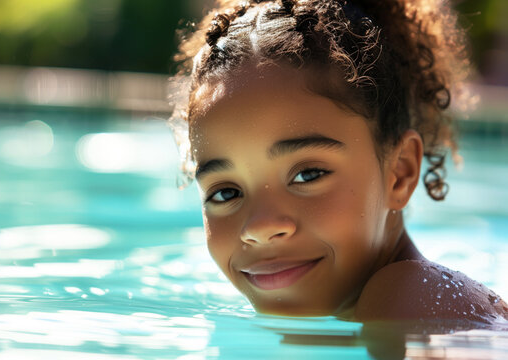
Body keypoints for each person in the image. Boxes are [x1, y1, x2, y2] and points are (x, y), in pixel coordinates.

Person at [168, 0, 508, 325]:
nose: (258, 228)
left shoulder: (411, 298)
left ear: (399, 173)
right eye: (226, 193)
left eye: (307, 174)